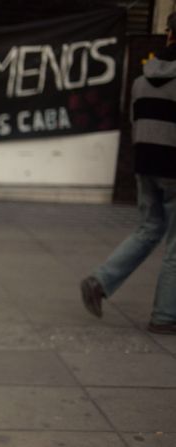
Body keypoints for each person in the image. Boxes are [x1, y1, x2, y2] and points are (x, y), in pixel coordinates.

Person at [80, 13, 176, 335]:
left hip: (146, 165)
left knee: (149, 228)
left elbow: (136, 125)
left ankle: (101, 279)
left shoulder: (141, 79)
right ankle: (164, 315)